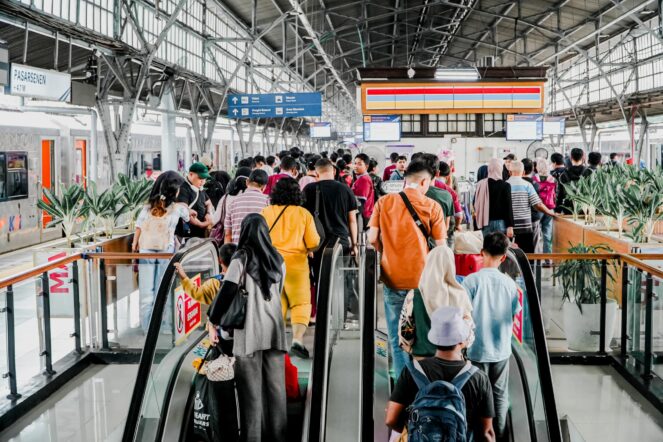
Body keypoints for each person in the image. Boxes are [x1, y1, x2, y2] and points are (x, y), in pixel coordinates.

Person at [207, 214, 288, 442]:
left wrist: (212, 319)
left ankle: (253, 438)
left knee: (250, 393)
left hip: (250, 330)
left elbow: (227, 292)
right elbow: (279, 290)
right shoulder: (278, 259)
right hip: (274, 329)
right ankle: (279, 436)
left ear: (244, 232)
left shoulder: (240, 259)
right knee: (276, 390)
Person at [368, 160, 447, 379]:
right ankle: (423, 384)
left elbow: (372, 238)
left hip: (392, 279)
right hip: (422, 282)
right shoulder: (432, 206)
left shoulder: (384, 202)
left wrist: (386, 251)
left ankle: (403, 384)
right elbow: (441, 247)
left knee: (397, 336)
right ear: (424, 182)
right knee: (422, 336)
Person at [386, 306, 496, 442]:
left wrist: (412, 432)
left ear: (434, 339)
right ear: (462, 341)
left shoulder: (412, 371)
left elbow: (391, 419)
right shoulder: (479, 378)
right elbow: (487, 432)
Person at [462, 232, 521, 439]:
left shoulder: (470, 281)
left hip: (476, 350)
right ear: (504, 257)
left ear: (481, 252)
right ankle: (499, 435)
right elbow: (513, 314)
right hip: (501, 350)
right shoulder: (510, 284)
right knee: (500, 395)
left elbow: (464, 314)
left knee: (476, 395)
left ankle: (477, 435)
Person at [262, 178, 320, 359]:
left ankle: (274, 342)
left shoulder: (266, 212)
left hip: (272, 263)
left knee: (277, 302)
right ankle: (297, 340)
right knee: (300, 303)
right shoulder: (303, 214)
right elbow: (313, 242)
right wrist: (308, 249)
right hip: (296, 265)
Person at [132, 180, 190, 331]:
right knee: (163, 287)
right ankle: (164, 326)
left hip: (146, 250)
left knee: (146, 291)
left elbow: (138, 226)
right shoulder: (177, 208)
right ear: (175, 193)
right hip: (165, 250)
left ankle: (147, 328)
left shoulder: (148, 207)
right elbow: (188, 218)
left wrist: (134, 245)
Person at [402, 245, 474, 359]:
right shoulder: (460, 294)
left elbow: (405, 332)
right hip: (452, 359)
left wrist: (411, 350)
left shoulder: (414, 294)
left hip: (422, 359)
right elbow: (468, 335)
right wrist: (459, 348)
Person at [507, 161, 555, 253]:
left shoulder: (505, 184)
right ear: (523, 172)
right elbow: (537, 204)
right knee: (527, 254)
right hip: (524, 226)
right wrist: (550, 212)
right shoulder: (527, 185)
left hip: (509, 227)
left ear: (509, 172)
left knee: (510, 254)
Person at [173, 242, 238, 305]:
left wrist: (183, 275)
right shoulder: (243, 277)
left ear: (219, 260)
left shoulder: (215, 284)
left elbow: (196, 293)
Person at [224, 169, 269, 244]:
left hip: (238, 248)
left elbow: (228, 234)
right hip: (260, 248)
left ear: (247, 182)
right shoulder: (267, 201)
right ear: (264, 187)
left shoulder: (233, 202)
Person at [473, 158, 514, 238]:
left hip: (484, 222)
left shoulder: (481, 184)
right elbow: (508, 207)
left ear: (489, 168)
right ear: (500, 169)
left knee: (487, 245)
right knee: (500, 245)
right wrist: (510, 226)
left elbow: (475, 204)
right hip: (501, 223)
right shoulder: (505, 185)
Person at [176, 162, 213, 240]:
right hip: (188, 236)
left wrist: (208, 213)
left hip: (201, 234)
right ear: (191, 174)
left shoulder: (200, 188)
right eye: (200, 178)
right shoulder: (183, 189)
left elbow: (208, 202)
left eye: (205, 179)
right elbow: (185, 211)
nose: (203, 181)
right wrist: (202, 224)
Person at [533, 158, 557, 256]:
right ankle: (548, 259)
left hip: (537, 208)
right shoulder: (553, 179)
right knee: (547, 234)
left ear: (537, 167)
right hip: (550, 208)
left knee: (537, 235)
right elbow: (555, 194)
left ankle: (537, 259)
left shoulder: (534, 179)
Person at [556, 148, 588, 215]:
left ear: (571, 158)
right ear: (583, 157)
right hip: (585, 207)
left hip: (569, 208)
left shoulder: (563, 175)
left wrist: (558, 210)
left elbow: (560, 195)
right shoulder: (589, 173)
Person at [522, 158, 544, 253]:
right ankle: (535, 262)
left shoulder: (515, 183)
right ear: (532, 169)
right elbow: (537, 203)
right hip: (534, 218)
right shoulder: (535, 184)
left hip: (520, 218)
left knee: (520, 244)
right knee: (534, 244)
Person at [352, 153, 375, 228]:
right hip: (365, 215)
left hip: (362, 217)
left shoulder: (363, 179)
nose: (356, 166)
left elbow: (360, 204)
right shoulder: (362, 178)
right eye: (355, 163)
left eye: (359, 164)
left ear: (366, 166)